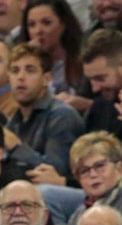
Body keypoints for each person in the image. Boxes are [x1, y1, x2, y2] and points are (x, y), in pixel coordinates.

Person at [8, 42, 87, 181]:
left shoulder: (62, 115)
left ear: (46, 79)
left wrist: (16, 148)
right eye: (15, 71)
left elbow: (55, 172)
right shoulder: (14, 120)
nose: (20, 77)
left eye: (30, 70)